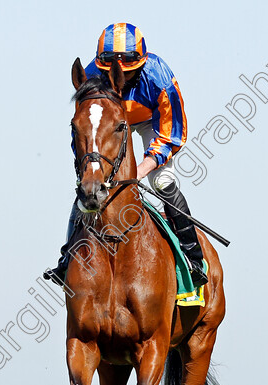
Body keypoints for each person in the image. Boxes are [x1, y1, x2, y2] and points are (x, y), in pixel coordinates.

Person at [44, 23, 207, 287]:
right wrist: (89, 169)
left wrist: (143, 167)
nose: (124, 77)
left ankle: (193, 257)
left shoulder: (160, 77)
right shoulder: (89, 75)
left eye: (130, 73)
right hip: (110, 122)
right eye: (116, 72)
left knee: (161, 182)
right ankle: (67, 260)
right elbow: (84, 130)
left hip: (149, 122)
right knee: (87, 188)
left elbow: (172, 132)